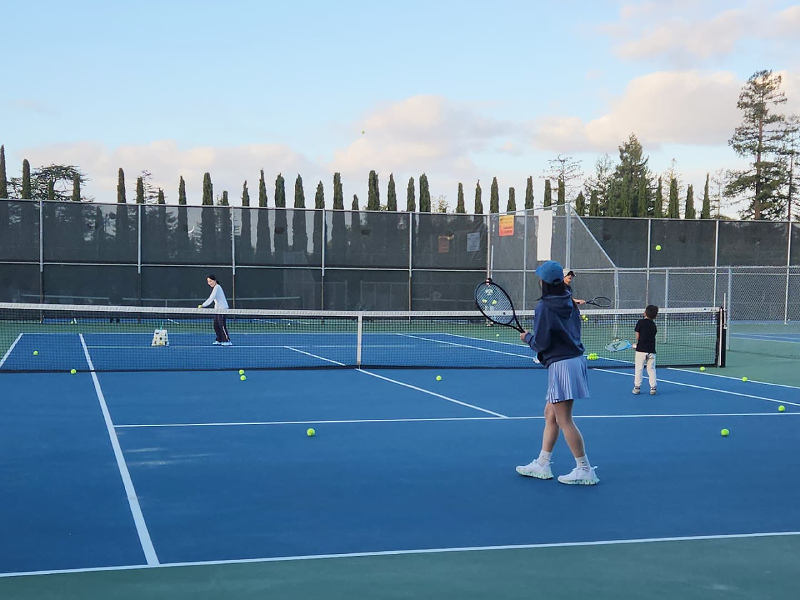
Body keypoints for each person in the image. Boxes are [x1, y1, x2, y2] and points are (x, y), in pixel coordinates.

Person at [516, 260, 599, 485]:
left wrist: (528, 338)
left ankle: (584, 469)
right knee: (550, 414)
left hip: (562, 364)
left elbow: (542, 342)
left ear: (544, 282)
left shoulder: (544, 307)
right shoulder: (570, 302)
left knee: (564, 420)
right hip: (573, 360)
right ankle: (542, 463)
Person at [199, 274, 232, 346]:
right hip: (217, 310)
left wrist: (203, 305)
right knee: (216, 325)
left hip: (223, 309)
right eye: (208, 281)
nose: (209, 283)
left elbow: (211, 298)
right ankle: (219, 339)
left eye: (210, 281)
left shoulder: (217, 287)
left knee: (222, 325)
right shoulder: (215, 288)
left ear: (215, 281)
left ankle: (227, 340)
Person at [633, 305, 659, 395]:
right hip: (651, 351)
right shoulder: (654, 325)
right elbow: (649, 337)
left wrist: (637, 344)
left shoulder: (640, 322)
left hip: (641, 351)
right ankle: (653, 388)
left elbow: (638, 335)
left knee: (639, 369)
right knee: (651, 369)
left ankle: (637, 387)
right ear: (655, 316)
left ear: (645, 313)